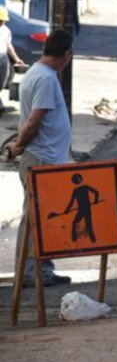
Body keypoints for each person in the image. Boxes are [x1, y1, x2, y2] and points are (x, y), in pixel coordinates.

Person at [7, 30, 75, 287]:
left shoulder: (36, 73)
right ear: (66, 54)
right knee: (35, 218)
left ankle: (42, 270)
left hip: (45, 158)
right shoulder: (46, 78)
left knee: (44, 218)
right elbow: (34, 120)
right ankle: (29, 273)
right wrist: (19, 145)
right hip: (42, 159)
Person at [0, 6, 28, 112]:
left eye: (3, 20)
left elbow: (8, 45)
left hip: (3, 59)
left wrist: (16, 59)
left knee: (2, 83)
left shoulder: (5, 31)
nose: (2, 22)